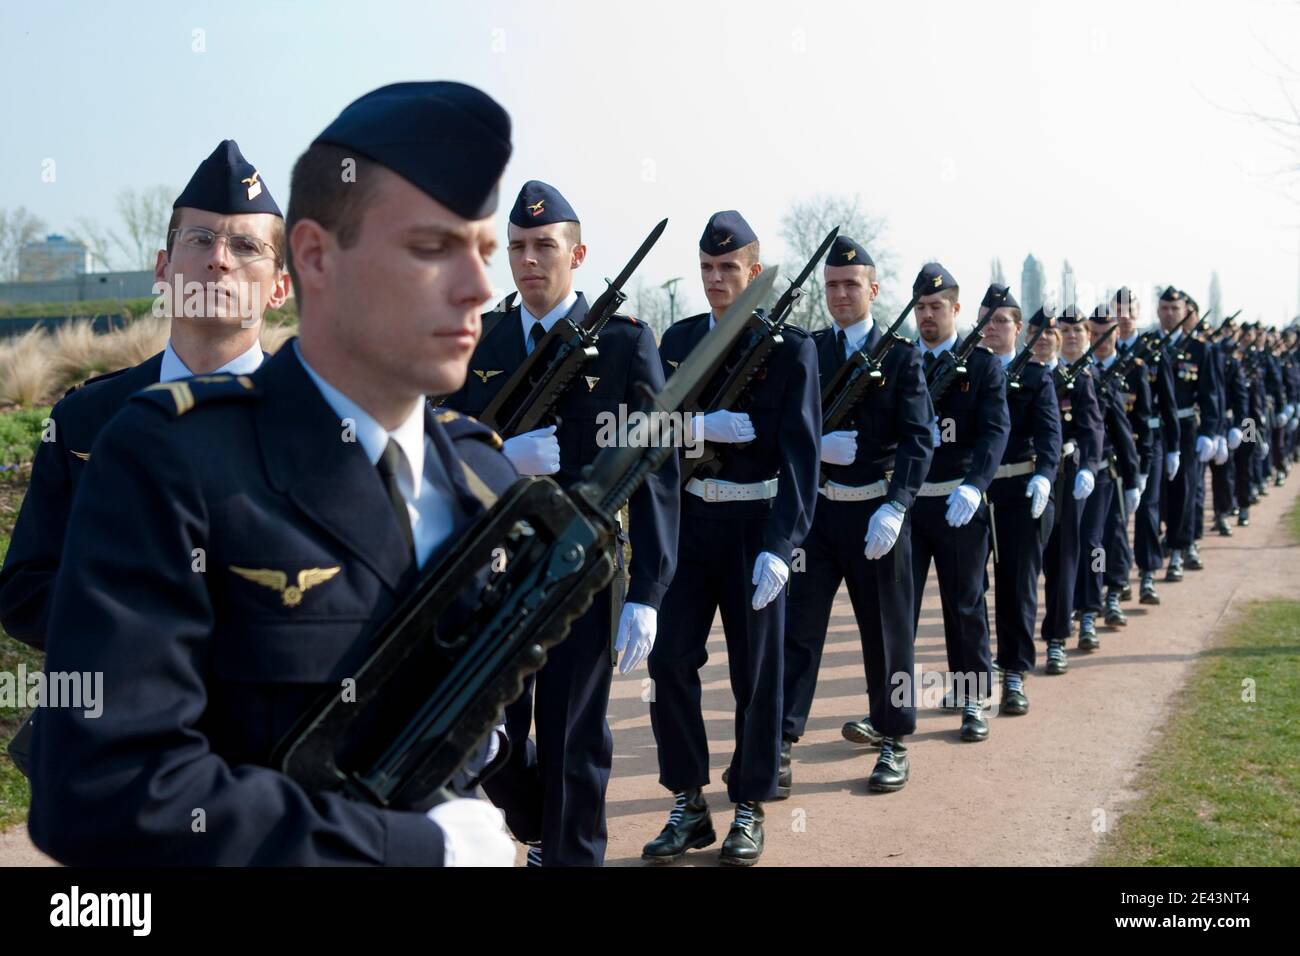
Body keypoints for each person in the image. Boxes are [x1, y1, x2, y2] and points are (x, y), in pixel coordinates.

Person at [28, 81, 521, 866]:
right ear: (317, 258)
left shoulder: (478, 472)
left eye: (484, 252)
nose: (479, 288)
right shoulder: (165, 454)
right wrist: (409, 849)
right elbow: (108, 791)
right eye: (431, 249)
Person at [443, 180, 679, 867]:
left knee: (576, 735)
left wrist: (648, 591)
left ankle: (572, 854)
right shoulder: (482, 339)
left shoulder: (628, 344)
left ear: (578, 255)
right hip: (496, 570)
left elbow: (655, 468)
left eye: (545, 246)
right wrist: (498, 459)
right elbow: (440, 440)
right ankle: (539, 827)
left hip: (584, 569)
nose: (529, 259)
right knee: (488, 733)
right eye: (516, 246)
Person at [0, 139, 289, 649]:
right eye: (200, 239)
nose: (220, 261)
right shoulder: (85, 419)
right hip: (120, 714)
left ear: (279, 288)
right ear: (163, 270)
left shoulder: (316, 421)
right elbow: (26, 592)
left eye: (246, 247)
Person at [643, 210, 819, 866]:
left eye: (729, 268)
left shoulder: (791, 348)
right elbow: (649, 431)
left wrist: (781, 545)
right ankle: (688, 801)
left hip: (755, 527)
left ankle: (749, 804)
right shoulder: (679, 339)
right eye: (708, 268)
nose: (717, 279)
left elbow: (802, 459)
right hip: (689, 526)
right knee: (669, 663)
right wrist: (698, 428)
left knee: (757, 673)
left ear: (754, 271)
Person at [782, 236, 932, 792]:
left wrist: (896, 505)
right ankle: (780, 739)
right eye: (832, 286)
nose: (841, 294)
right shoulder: (808, 350)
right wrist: (816, 443)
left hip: (876, 515)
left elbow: (920, 439)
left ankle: (892, 740)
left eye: (851, 284)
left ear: (873, 288)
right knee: (797, 632)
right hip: (817, 515)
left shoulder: (902, 355)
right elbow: (786, 425)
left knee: (888, 635)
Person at [909, 263, 1009, 741]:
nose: (927, 316)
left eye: (936, 307)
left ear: (956, 308)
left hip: (958, 501)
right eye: (921, 308)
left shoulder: (985, 365)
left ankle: (973, 698)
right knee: (896, 608)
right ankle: (890, 707)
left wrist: (974, 484)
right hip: (907, 503)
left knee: (965, 602)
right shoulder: (902, 362)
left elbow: (994, 431)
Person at [978, 286, 1060, 713]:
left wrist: (1046, 475)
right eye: (985, 321)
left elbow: (1050, 433)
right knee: (970, 586)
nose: (991, 329)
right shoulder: (966, 371)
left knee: (1017, 584)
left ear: (1018, 328)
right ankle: (972, 674)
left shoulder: (1034, 374)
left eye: (1001, 321)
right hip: (974, 491)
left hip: (1019, 490)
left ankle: (1014, 672)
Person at [1036, 306, 1103, 675]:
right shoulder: (1016, 377)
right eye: (1038, 332)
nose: (1044, 339)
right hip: (1020, 479)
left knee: (1064, 559)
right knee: (1022, 567)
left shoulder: (1076, 379)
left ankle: (1057, 638)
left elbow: (1092, 428)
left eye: (1051, 333)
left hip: (1063, 477)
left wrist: (1088, 467)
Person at [1073, 303, 1139, 648]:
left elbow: (1122, 431)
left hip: (1099, 474)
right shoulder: (1048, 376)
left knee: (1096, 542)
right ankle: (1072, 605)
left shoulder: (1101, 380)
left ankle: (1093, 606)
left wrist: (1132, 480)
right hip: (1057, 479)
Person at [1112, 287, 1179, 604]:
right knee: (1115, 517)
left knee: (1148, 510)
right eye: (1118, 311)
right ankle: (1118, 577)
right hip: (1114, 445)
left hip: (1148, 444)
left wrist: (1174, 446)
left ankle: (1149, 574)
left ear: (1138, 314)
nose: (1123, 317)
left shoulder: (1152, 351)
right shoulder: (1103, 350)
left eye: (1129, 310)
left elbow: (1168, 403)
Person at [1157, 287, 1220, 581]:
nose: (1170, 313)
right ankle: (1157, 546)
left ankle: (1180, 550)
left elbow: (1210, 394)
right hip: (1153, 429)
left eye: (1175, 309)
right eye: (1165, 308)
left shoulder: (1200, 349)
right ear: (1158, 311)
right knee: (1156, 494)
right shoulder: (1148, 347)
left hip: (1185, 428)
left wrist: (1211, 432)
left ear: (1185, 313)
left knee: (1184, 490)